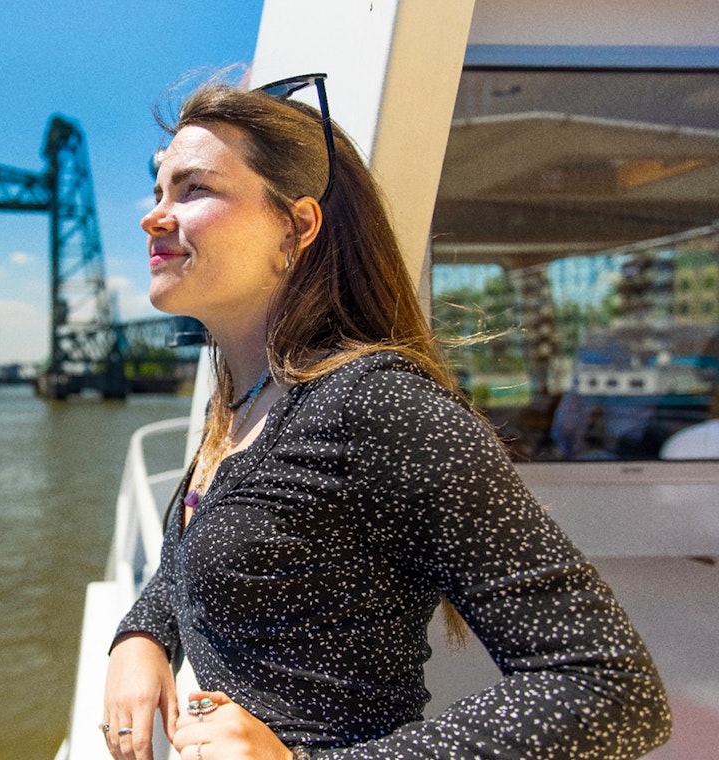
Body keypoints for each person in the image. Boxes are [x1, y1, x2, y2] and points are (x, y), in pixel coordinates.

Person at [100, 72, 672, 760]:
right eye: (160, 189)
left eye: (194, 189)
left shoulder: (378, 405)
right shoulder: (248, 392)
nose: (153, 214)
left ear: (297, 223)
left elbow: (612, 689)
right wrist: (140, 634)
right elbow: (213, 543)